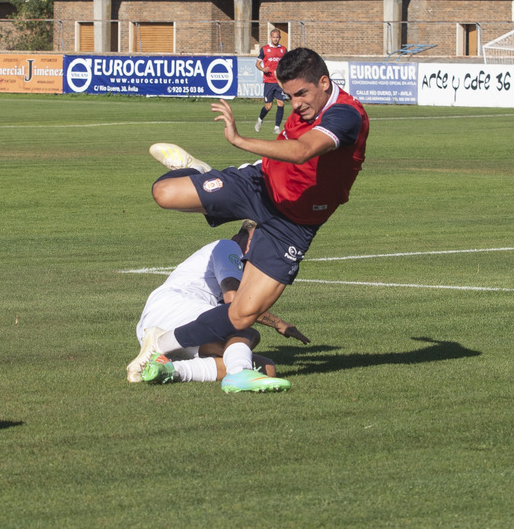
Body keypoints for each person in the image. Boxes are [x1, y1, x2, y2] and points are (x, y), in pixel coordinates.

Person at [134, 47, 368, 392]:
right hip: (259, 184)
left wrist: (239, 140)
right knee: (164, 194)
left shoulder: (345, 115)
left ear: (324, 82)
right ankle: (195, 172)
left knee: (242, 315)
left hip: (295, 224)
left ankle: (161, 344)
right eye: (288, 96)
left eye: (301, 94)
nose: (296, 104)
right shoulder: (306, 102)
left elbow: (303, 151)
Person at [130, 219, 310, 391]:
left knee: (266, 367)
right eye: (253, 241)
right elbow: (234, 301)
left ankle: (169, 369)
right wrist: (278, 323)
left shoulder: (244, 267)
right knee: (245, 331)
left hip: (177, 325)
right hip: (172, 307)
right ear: (238, 237)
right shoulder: (228, 246)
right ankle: (161, 342)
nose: (254, 249)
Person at [254, 28, 288, 134]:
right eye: (274, 37)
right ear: (270, 37)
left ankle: (277, 127)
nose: (275, 39)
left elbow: (286, 63)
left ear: (279, 38)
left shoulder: (283, 50)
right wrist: (263, 69)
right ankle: (260, 119)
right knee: (268, 106)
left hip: (279, 82)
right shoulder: (264, 49)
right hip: (269, 81)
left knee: (281, 103)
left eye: (277, 37)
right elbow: (257, 64)